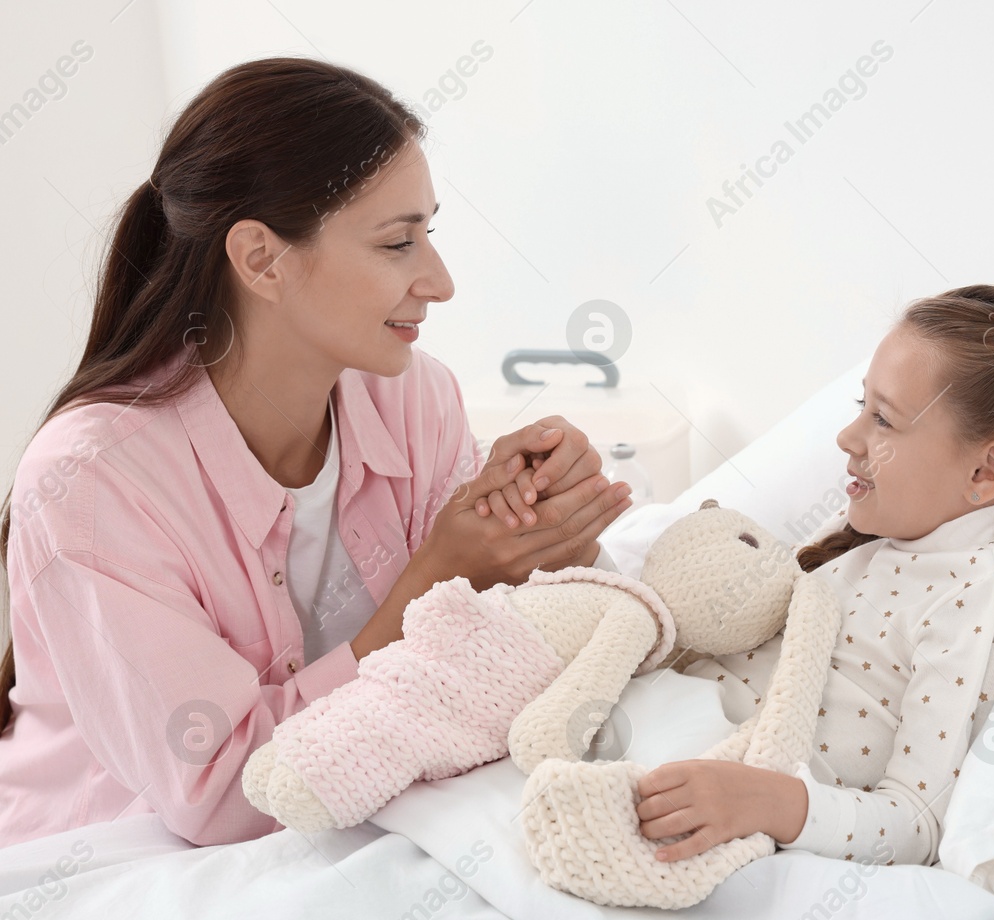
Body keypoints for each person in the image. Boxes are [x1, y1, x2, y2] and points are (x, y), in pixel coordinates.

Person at [0, 58, 634, 849]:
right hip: (113, 855)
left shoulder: (412, 396)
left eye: (428, 233)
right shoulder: (91, 481)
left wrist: (539, 520)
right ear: (262, 258)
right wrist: (437, 578)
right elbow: (226, 795)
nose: (439, 281)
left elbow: (495, 638)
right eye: (398, 243)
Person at [636, 285, 994, 867]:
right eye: (861, 406)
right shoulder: (869, 530)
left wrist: (769, 802)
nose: (848, 438)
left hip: (704, 783)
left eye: (882, 419)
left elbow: (915, 820)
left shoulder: (967, 606)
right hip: (650, 724)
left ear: (985, 469)